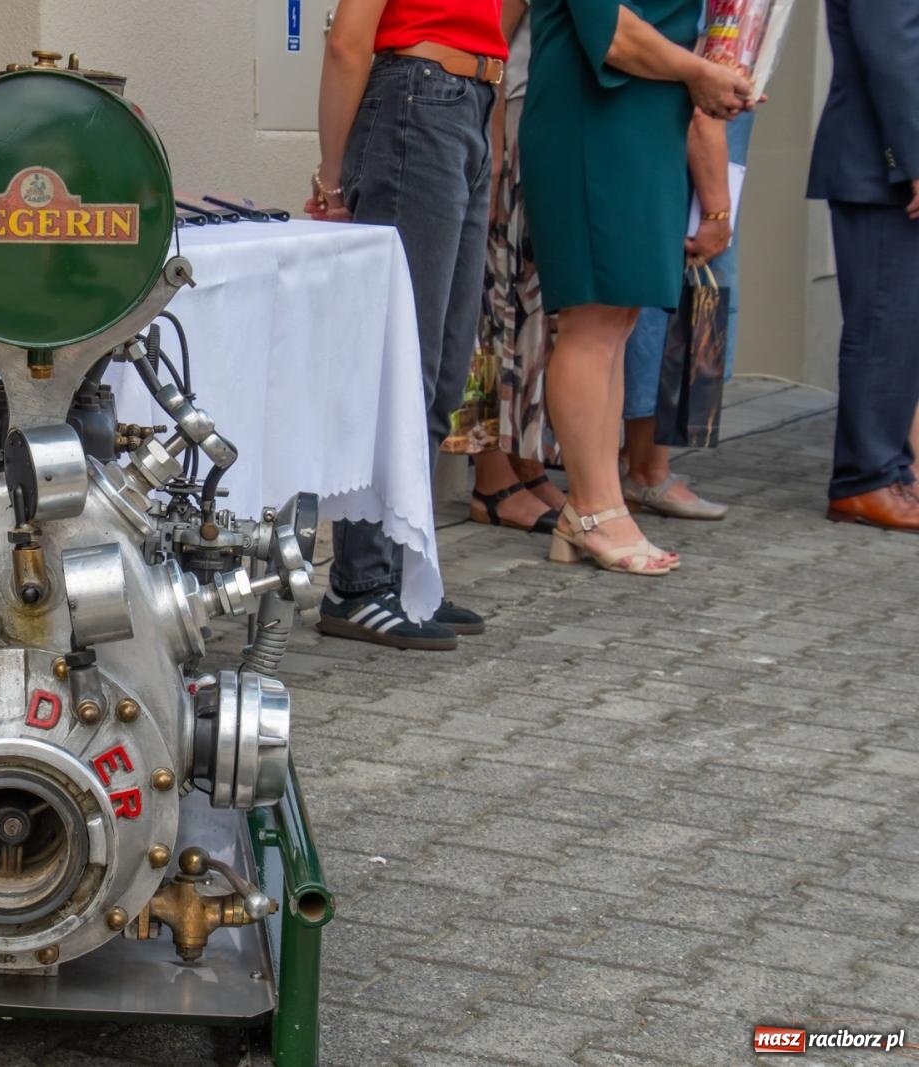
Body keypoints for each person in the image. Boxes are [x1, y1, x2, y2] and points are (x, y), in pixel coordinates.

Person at [519, 0, 751, 575]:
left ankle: (601, 504)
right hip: (592, 119)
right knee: (591, 322)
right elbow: (613, 35)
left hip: (643, 120)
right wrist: (700, 72)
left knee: (617, 321)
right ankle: (592, 509)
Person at [305, 0, 506, 650]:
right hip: (416, 103)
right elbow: (348, 40)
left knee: (445, 370)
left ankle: (406, 579)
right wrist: (333, 180)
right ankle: (359, 583)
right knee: (398, 361)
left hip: (468, 103)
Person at [808, 0, 919, 532]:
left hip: (888, 170)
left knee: (901, 332)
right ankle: (865, 481)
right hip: (880, 169)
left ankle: (890, 472)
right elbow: (891, 50)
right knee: (882, 327)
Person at [619, 110, 749, 521]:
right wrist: (716, 211)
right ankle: (646, 467)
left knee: (687, 294)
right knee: (672, 298)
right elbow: (700, 109)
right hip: (685, 151)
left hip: (705, 151)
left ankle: (642, 462)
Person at [468, 0, 566, 536]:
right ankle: (492, 474)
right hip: (512, 118)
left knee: (531, 309)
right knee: (496, 304)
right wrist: (497, 143)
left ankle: (527, 464)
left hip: (538, 117)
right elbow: (494, 40)